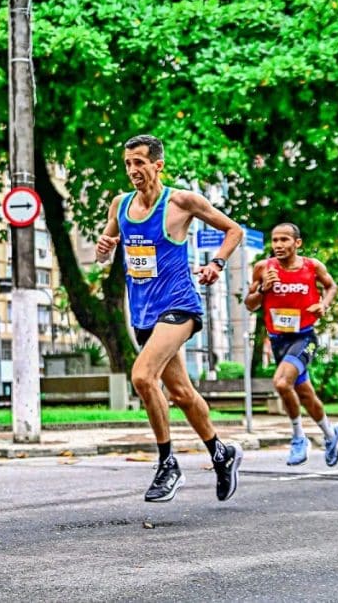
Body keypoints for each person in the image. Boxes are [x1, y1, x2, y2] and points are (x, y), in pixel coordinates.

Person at [96, 135, 244, 503]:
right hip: (144, 313)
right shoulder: (121, 205)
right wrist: (104, 248)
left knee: (143, 377)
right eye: (128, 163)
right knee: (181, 392)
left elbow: (233, 230)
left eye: (140, 163)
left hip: (179, 306)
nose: (133, 171)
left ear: (158, 164)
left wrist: (216, 263)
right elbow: (108, 246)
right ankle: (220, 453)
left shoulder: (181, 201)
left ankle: (167, 464)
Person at [244, 223, 338, 467]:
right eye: (275, 240)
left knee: (281, 382)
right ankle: (331, 435)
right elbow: (249, 303)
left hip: (304, 337)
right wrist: (264, 290)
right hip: (278, 340)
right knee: (306, 395)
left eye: (285, 240)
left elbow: (331, 286)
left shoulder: (312, 266)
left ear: (297, 243)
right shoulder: (262, 268)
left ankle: (298, 437)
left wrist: (324, 304)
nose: (278, 245)